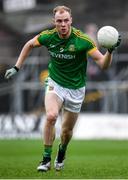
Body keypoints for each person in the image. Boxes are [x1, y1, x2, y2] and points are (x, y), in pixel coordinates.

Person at [4, 5, 121, 172]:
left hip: (76, 89)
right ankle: (45, 159)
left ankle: (62, 151)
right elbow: (29, 44)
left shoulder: (83, 40)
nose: (63, 24)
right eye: (59, 21)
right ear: (54, 22)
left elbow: (103, 65)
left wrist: (110, 51)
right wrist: (16, 67)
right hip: (55, 83)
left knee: (66, 132)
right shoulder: (48, 36)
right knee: (51, 116)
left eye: (66, 20)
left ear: (71, 21)